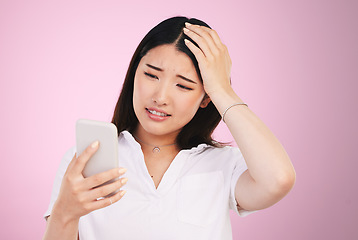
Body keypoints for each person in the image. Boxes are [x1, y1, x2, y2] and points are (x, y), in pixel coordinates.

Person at [43, 16, 296, 240]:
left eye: (184, 86)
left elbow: (278, 180)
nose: (160, 97)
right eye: (151, 75)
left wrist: (222, 89)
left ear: (206, 98)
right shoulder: (83, 162)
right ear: (134, 74)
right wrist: (65, 211)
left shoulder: (223, 165)